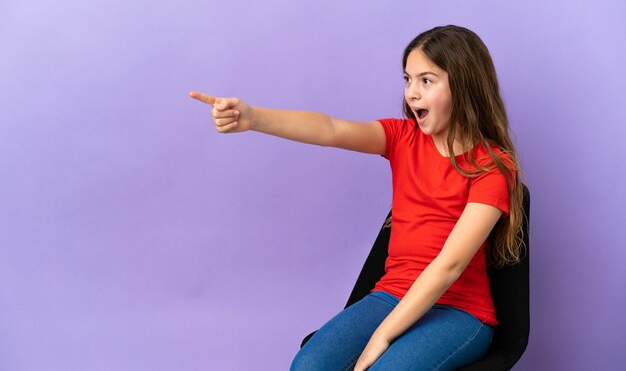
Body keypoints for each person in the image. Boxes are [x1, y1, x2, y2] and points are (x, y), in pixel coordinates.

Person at [189, 25, 525, 371]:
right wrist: (254, 118)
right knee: (309, 366)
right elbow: (330, 129)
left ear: (464, 84)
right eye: (408, 79)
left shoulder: (493, 165)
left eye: (427, 80)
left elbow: (449, 266)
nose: (412, 93)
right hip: (391, 295)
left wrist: (383, 336)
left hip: (459, 311)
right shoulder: (402, 138)